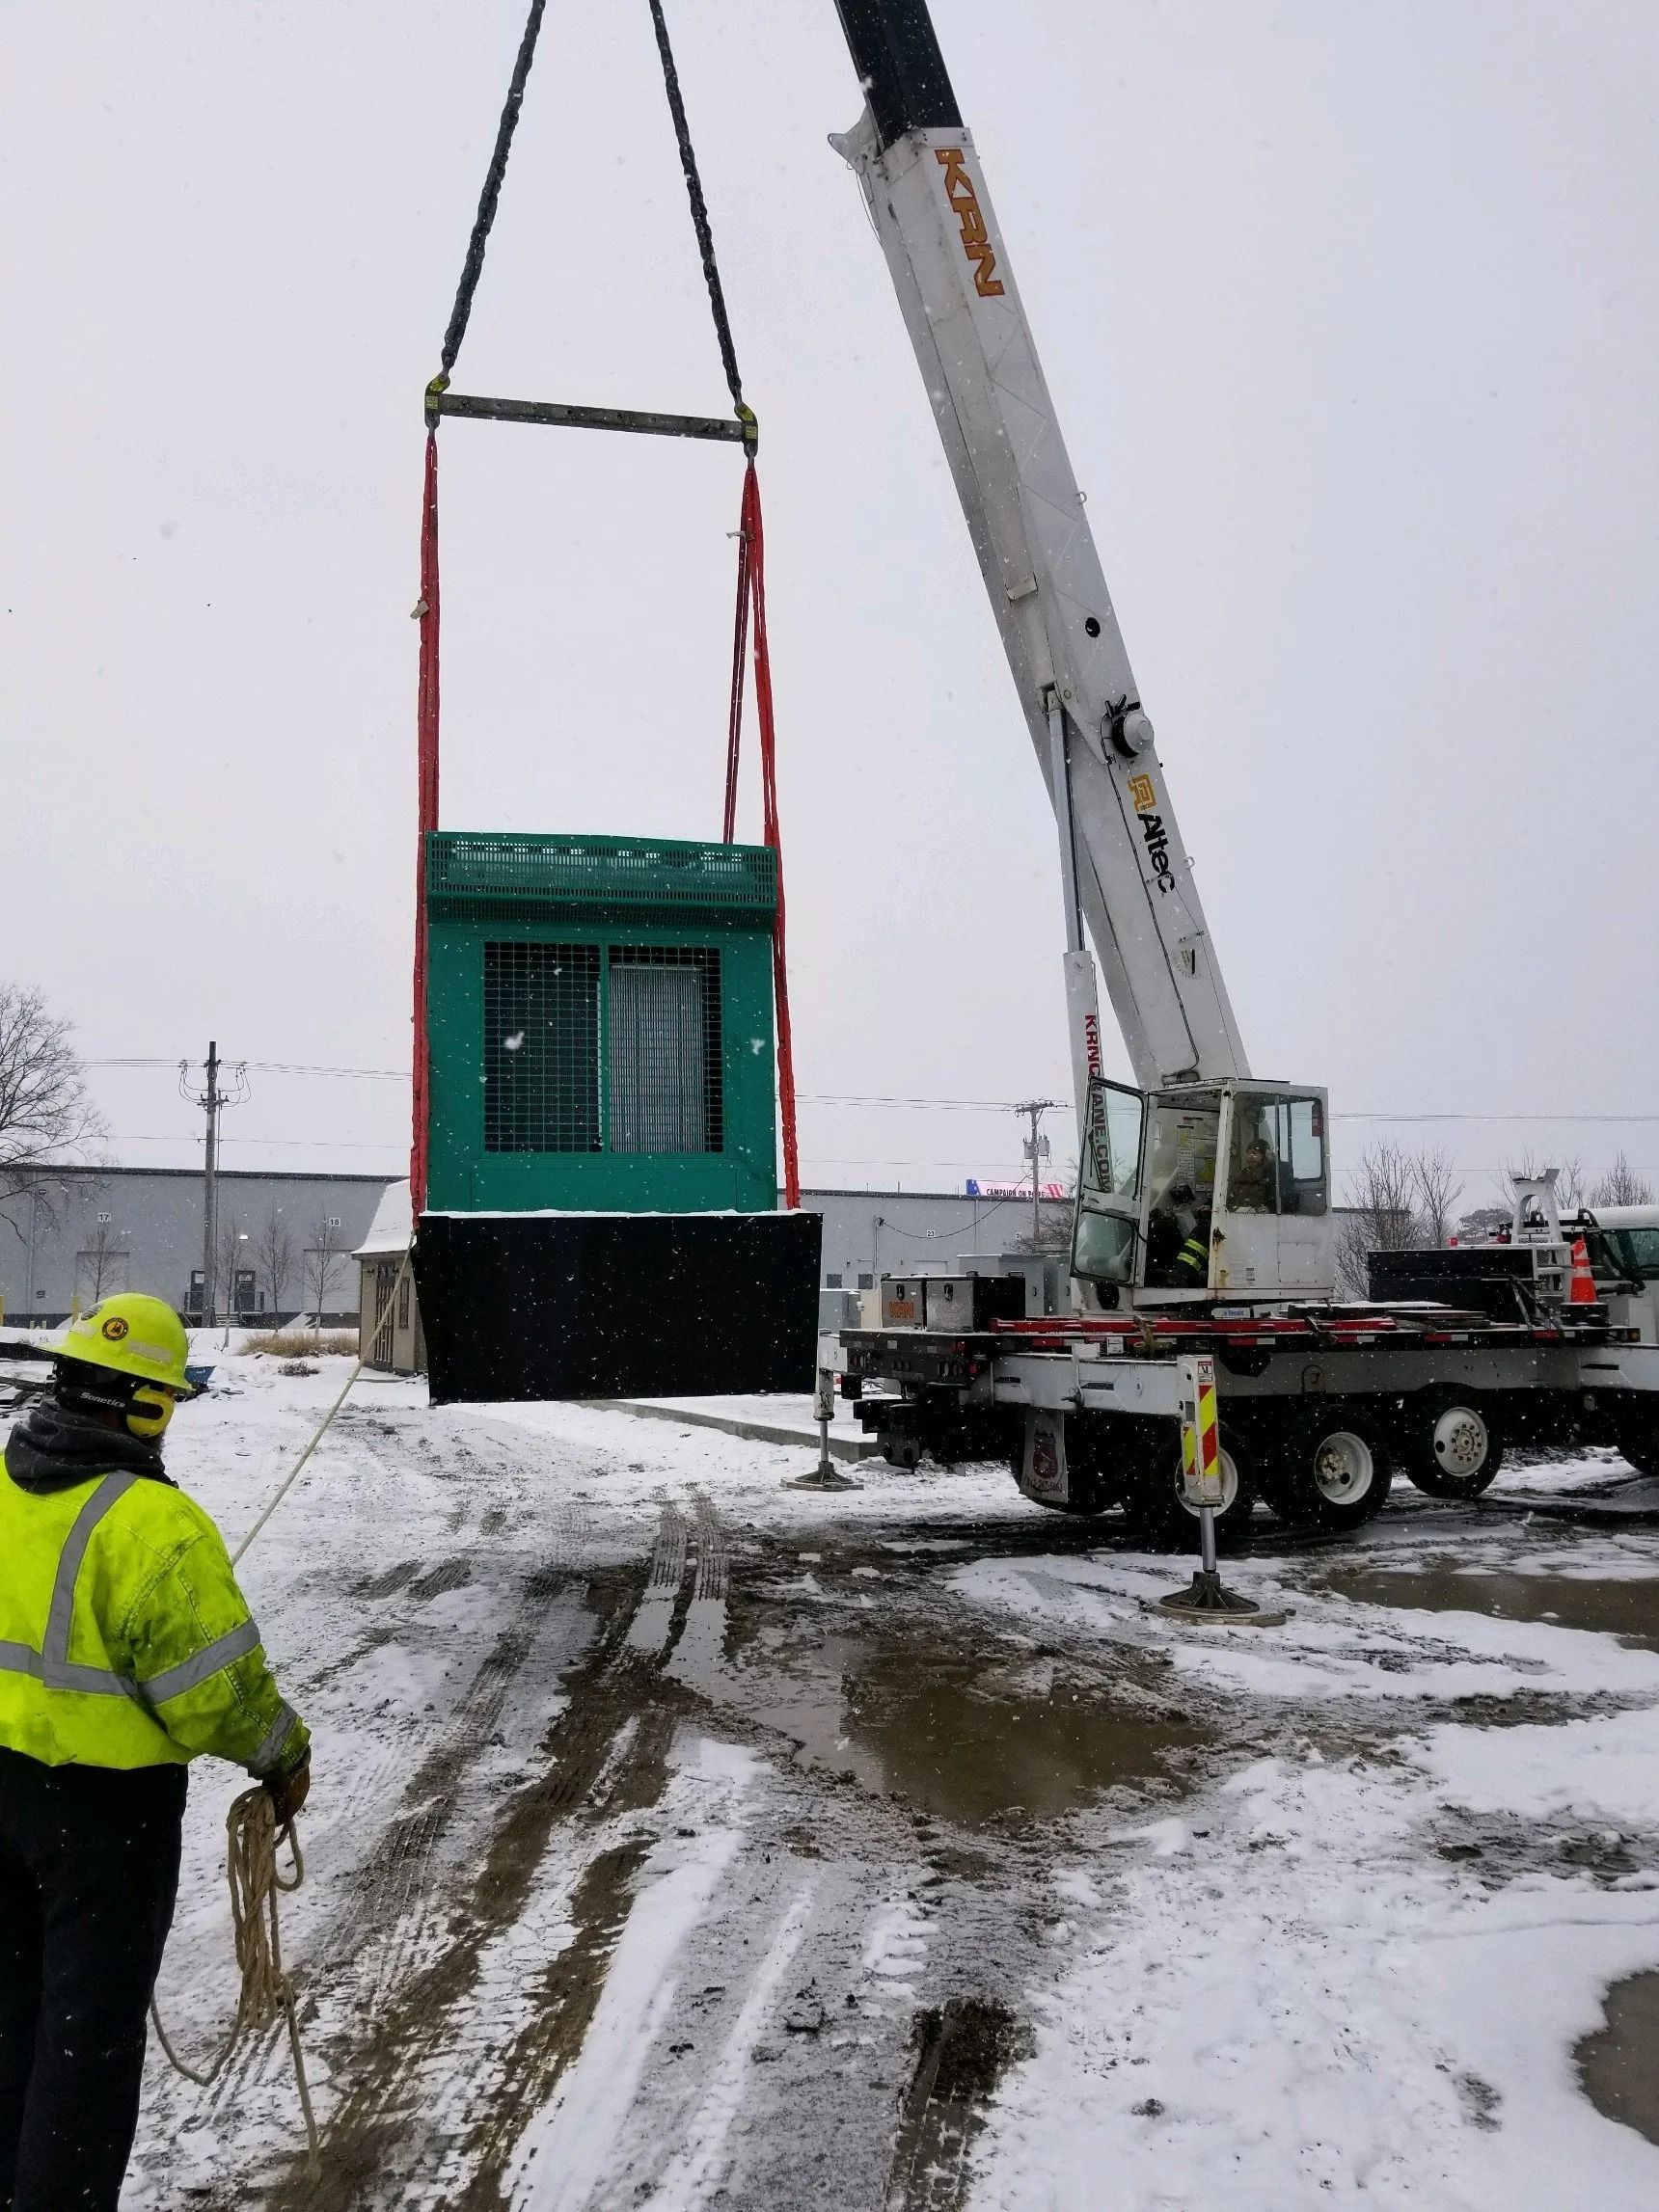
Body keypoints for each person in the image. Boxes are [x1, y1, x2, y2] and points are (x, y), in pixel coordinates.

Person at [0, 1293, 311, 2212]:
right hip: (105, 1821)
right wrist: (282, 1754)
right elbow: (216, 1697)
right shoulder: (155, 1526)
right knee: (86, 2041)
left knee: (11, 2016)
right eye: (165, 1400)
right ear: (144, 1408)